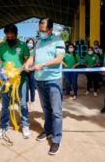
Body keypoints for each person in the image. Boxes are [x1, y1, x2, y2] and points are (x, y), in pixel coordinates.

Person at [25, 18, 65, 155]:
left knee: (56, 111)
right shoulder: (38, 42)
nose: (41, 32)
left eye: (43, 30)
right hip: (39, 80)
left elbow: (59, 59)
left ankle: (56, 139)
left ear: (50, 29)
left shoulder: (58, 41)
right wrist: (25, 66)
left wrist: (42, 65)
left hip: (53, 80)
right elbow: (32, 58)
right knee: (46, 109)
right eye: (39, 30)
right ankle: (48, 131)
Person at [0, 24, 31, 139]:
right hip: (5, 80)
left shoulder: (23, 45)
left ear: (16, 35)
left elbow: (27, 61)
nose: (10, 38)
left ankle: (25, 125)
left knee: (23, 103)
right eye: (8, 37)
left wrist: (19, 70)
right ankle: (4, 126)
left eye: (12, 36)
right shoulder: (1, 46)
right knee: (5, 104)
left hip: (21, 79)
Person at [25, 38, 36, 110]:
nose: (30, 44)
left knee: (32, 87)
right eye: (29, 42)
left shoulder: (35, 51)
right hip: (25, 71)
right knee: (25, 88)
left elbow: (36, 61)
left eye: (31, 43)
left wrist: (32, 68)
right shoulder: (24, 51)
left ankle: (31, 102)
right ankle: (26, 102)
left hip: (32, 71)